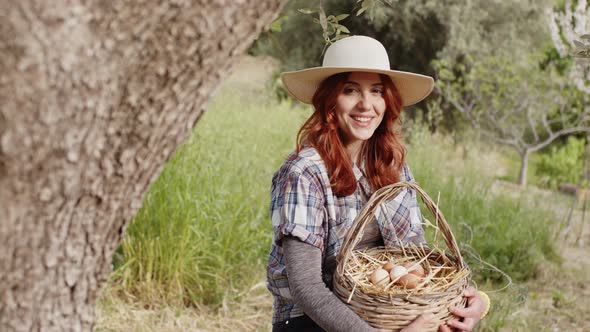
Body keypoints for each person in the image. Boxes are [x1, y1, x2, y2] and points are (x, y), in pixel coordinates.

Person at [266, 35, 489, 332]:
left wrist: (472, 303)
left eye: (376, 91)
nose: (366, 105)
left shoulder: (392, 166)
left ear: (388, 101)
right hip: (311, 321)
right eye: (350, 90)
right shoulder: (304, 172)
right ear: (330, 100)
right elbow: (307, 288)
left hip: (386, 313)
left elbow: (415, 259)